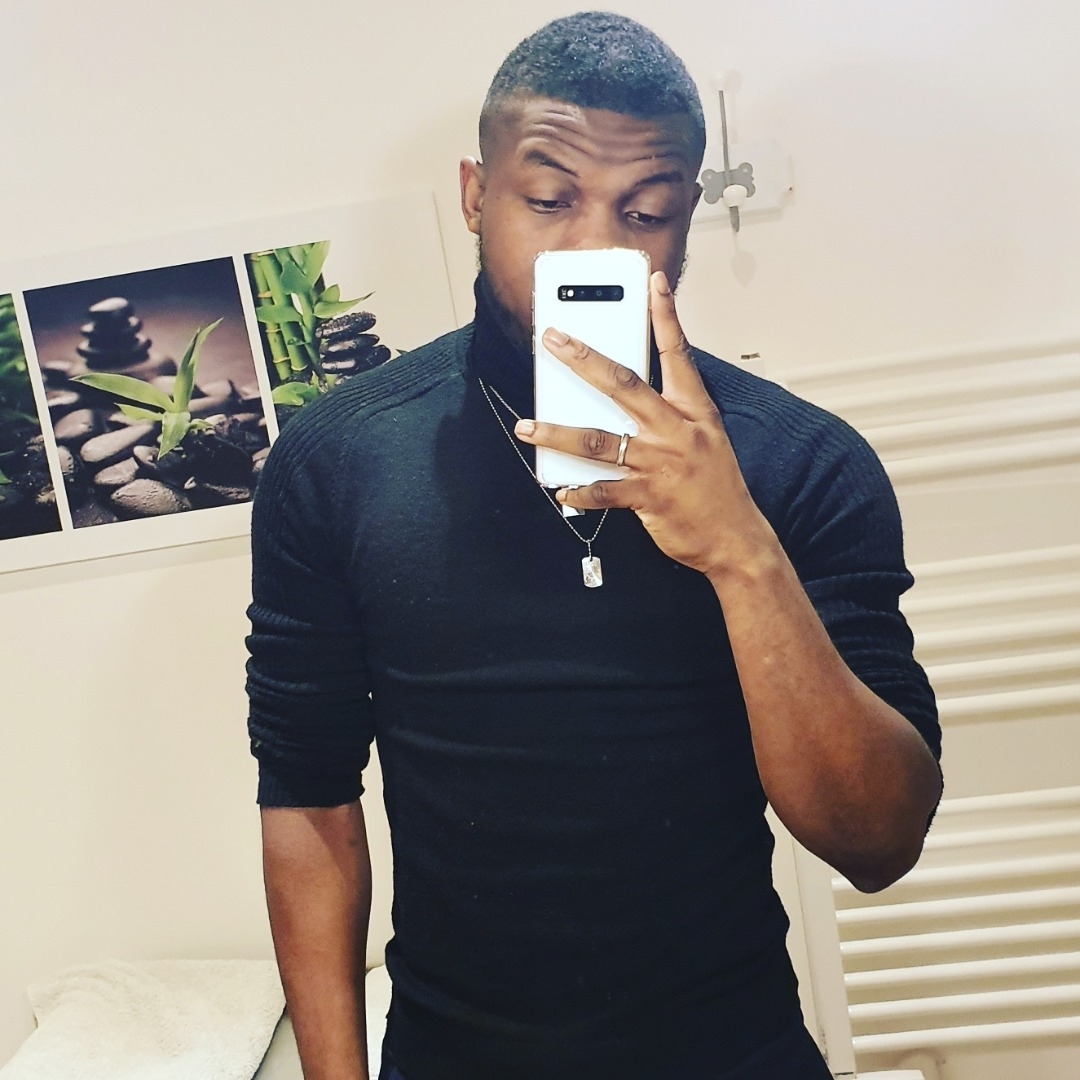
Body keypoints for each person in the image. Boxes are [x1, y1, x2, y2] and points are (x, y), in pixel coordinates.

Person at [246, 12, 942, 1080]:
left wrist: (741, 551)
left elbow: (878, 841)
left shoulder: (800, 462)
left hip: (733, 1053)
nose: (593, 247)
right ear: (476, 196)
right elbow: (308, 796)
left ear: (687, 219)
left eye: (645, 211)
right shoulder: (339, 461)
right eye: (548, 199)